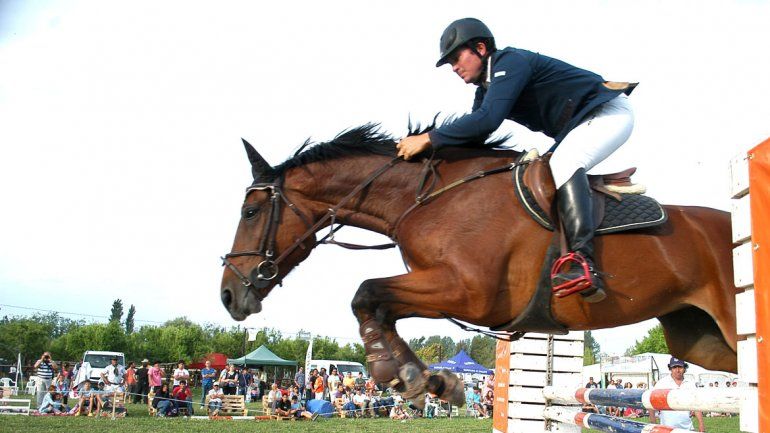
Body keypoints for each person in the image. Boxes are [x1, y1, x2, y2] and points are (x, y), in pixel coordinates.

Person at [396, 18, 637, 303]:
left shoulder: (510, 62)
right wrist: (428, 154)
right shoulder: (485, 89)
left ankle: (582, 263)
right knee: (547, 171)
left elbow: (487, 120)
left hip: (607, 113)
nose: (454, 68)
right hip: (583, 122)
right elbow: (473, 136)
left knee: (563, 164)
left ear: (481, 48)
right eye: (450, 63)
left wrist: (428, 138)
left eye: (456, 58)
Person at [649, 357, 705, 431]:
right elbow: (650, 402)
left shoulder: (690, 384)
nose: (677, 370)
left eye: (680, 367)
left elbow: (696, 405)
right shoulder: (662, 383)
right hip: (667, 429)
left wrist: (701, 425)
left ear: (684, 368)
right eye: (674, 367)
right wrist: (653, 424)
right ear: (670, 369)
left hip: (687, 428)